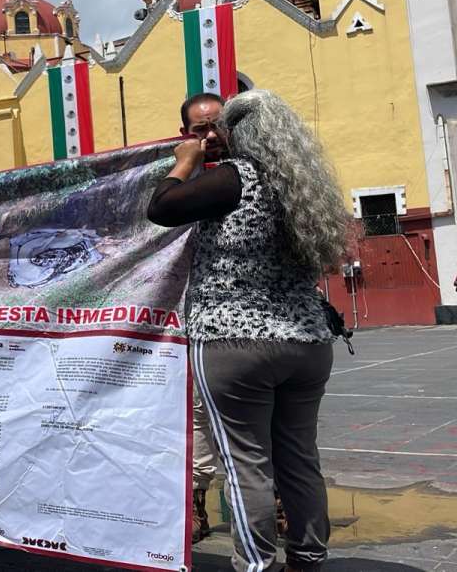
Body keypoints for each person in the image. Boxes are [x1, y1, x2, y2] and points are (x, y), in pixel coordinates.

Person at [148, 90, 350, 572]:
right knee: (299, 458)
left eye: (224, 128)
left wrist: (182, 161)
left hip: (234, 342)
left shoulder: (236, 177)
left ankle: (256, 564)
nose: (215, 136)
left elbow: (163, 205)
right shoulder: (303, 184)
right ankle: (308, 558)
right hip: (306, 342)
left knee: (245, 465)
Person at [178, 92, 224, 543]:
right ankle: (196, 503)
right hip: (197, 322)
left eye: (217, 127)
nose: (210, 136)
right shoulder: (177, 182)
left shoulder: (259, 174)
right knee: (194, 417)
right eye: (200, 130)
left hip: (257, 324)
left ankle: (276, 505)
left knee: (265, 423)